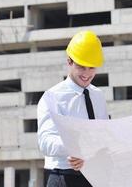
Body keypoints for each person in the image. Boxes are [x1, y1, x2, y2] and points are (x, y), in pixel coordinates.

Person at [37, 30, 109, 187]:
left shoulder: (98, 96)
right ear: (69, 62)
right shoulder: (52, 96)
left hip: (94, 176)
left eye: (92, 68)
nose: (87, 74)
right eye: (82, 67)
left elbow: (103, 133)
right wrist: (75, 148)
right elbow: (45, 141)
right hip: (63, 177)